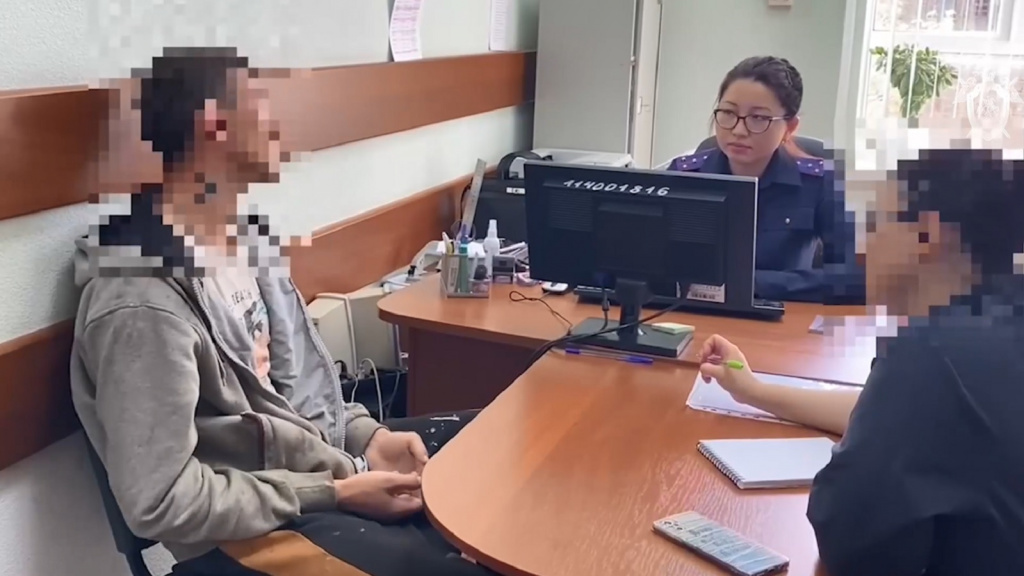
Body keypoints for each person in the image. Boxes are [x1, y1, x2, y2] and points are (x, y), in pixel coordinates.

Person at [70, 47, 492, 576]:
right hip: (247, 535)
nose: (281, 128)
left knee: (492, 445)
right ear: (216, 125)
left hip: (313, 479)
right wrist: (335, 491)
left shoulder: (244, 244)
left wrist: (367, 438)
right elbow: (161, 500)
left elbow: (288, 399)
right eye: (265, 109)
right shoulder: (140, 303)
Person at [697, 148, 1024, 575]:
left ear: (926, 235)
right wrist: (753, 391)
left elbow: (851, 541)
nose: (862, 250)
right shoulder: (996, 322)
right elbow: (887, 409)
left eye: (875, 225)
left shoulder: (930, 354)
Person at [668, 56, 864, 304]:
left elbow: (857, 277)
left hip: (781, 316)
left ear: (790, 127)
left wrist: (754, 283)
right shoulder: (685, 175)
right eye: (728, 112)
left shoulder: (819, 183)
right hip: (688, 313)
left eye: (759, 118)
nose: (738, 130)